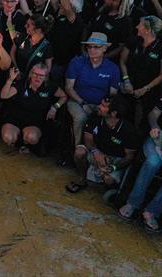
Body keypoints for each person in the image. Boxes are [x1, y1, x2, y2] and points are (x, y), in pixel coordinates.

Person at [66, 96, 140, 194]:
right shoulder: (95, 117)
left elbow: (129, 157)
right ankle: (82, 179)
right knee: (79, 152)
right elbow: (88, 139)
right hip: (96, 151)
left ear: (114, 113)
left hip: (115, 160)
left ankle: (107, 184)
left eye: (103, 106)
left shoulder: (129, 130)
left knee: (109, 180)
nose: (99, 107)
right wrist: (97, 153)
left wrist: (112, 167)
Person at [66, 32, 121, 145]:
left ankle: (101, 150)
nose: (91, 49)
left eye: (96, 47)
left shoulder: (113, 68)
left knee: (107, 119)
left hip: (101, 105)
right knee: (81, 118)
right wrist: (82, 103)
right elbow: (69, 88)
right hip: (77, 101)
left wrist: (102, 108)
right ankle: (79, 149)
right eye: (89, 46)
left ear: (105, 48)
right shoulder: (77, 62)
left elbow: (112, 95)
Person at [0, 64, 66, 154]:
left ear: (46, 77)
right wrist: (10, 80)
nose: (37, 77)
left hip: (35, 122)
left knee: (32, 137)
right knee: (8, 137)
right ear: (31, 74)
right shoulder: (22, 84)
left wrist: (55, 107)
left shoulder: (50, 87)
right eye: (35, 74)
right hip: (15, 119)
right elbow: (4, 95)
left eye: (41, 75)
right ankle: (17, 142)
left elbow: (64, 96)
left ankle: (26, 143)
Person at [118, 99, 162, 232]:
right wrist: (155, 127)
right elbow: (153, 114)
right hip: (158, 139)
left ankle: (152, 211)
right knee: (153, 162)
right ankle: (132, 203)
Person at [119, 16, 162, 129]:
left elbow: (161, 75)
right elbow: (122, 61)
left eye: (140, 25)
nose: (137, 26)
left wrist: (145, 89)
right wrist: (126, 79)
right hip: (128, 88)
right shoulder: (133, 41)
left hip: (148, 94)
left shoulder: (160, 47)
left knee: (140, 122)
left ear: (148, 30)